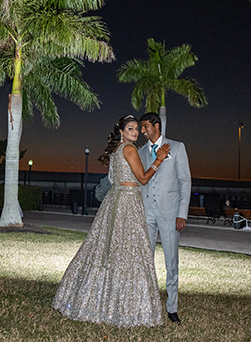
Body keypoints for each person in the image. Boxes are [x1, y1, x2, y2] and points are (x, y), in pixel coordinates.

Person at [52, 115, 171, 327]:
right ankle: (127, 308)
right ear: (122, 132)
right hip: (128, 203)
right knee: (130, 252)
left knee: (105, 249)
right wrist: (159, 159)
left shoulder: (116, 151)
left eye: (136, 129)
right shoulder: (129, 149)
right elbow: (142, 179)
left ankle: (93, 301)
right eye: (131, 129)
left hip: (115, 201)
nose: (135, 132)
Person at [138, 112, 192, 324]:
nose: (142, 131)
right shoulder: (141, 151)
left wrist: (182, 213)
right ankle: (148, 304)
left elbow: (185, 182)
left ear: (156, 126)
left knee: (171, 262)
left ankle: (172, 308)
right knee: (146, 261)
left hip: (170, 214)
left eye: (145, 127)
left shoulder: (177, 147)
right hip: (146, 212)